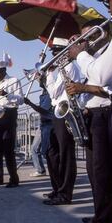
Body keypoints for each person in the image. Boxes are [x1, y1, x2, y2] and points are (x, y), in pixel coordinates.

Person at [67, 0, 112, 223]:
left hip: (106, 111)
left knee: (101, 170)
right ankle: (107, 216)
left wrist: (80, 55)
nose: (107, 6)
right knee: (101, 171)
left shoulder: (106, 48)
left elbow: (103, 80)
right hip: (98, 112)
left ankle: (103, 221)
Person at [43, 37, 81, 206]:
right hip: (57, 112)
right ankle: (58, 187)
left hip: (66, 113)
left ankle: (65, 193)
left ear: (66, 53)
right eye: (53, 52)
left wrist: (48, 74)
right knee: (51, 152)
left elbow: (53, 93)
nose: (55, 56)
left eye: (58, 52)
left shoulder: (69, 67)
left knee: (66, 154)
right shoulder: (62, 69)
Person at [0, 58, 23, 188]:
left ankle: (13, 178)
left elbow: (21, 100)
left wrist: (7, 95)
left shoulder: (14, 80)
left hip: (9, 114)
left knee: (8, 149)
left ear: (4, 69)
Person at [24, 75, 53, 177]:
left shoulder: (50, 94)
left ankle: (43, 171)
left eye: (40, 79)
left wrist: (30, 103)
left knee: (45, 151)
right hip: (43, 124)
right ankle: (40, 170)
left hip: (48, 125)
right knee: (35, 148)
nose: (38, 81)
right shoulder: (44, 93)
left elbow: (43, 110)